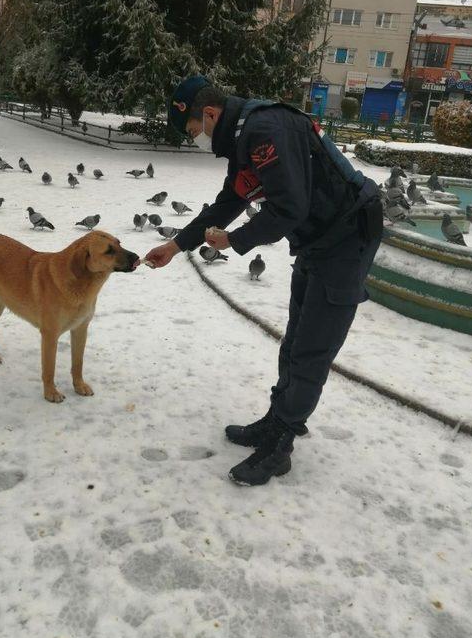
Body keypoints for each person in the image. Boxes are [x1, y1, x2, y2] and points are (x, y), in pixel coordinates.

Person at [144, 75, 383, 486]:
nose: (194, 138)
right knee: (295, 340)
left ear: (212, 114)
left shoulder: (265, 131)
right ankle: (276, 422)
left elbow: (289, 208)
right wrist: (177, 245)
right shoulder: (244, 136)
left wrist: (233, 241)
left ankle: (281, 444)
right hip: (318, 237)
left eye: (193, 130)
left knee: (312, 347)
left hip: (347, 235)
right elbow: (230, 201)